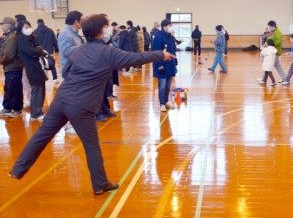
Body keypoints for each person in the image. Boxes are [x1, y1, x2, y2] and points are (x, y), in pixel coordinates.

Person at [9, 14, 175, 195]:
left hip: (61, 100)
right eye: (106, 26)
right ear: (99, 31)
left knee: (41, 137)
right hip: (81, 106)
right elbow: (136, 58)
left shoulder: (77, 50)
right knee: (92, 146)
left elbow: (67, 71)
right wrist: (161, 54)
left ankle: (18, 170)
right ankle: (100, 183)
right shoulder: (108, 52)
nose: (108, 29)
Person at [58, 10, 84, 133]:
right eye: (81, 20)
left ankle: (74, 122)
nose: (82, 23)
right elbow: (66, 51)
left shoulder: (74, 33)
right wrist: (84, 48)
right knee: (71, 98)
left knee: (76, 97)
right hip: (69, 71)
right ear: (76, 22)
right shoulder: (66, 34)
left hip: (76, 70)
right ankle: (68, 125)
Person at [16, 21, 48, 120]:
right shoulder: (21, 39)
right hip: (31, 67)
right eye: (25, 27)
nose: (28, 28)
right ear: (21, 29)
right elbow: (31, 52)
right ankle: (35, 113)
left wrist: (38, 50)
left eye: (29, 26)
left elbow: (39, 49)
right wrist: (38, 50)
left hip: (38, 65)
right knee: (36, 89)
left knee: (41, 89)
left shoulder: (33, 37)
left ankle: (39, 111)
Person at [152, 19, 177, 112]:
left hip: (170, 66)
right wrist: (159, 65)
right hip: (162, 66)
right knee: (162, 86)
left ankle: (166, 101)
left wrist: (175, 61)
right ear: (164, 27)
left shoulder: (170, 37)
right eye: (169, 25)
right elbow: (155, 52)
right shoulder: (158, 37)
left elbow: (172, 51)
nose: (171, 27)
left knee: (168, 86)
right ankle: (162, 103)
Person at [0, 17, 23, 118]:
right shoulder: (9, 36)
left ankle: (16, 108)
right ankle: (7, 107)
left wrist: (1, 61)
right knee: (8, 88)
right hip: (10, 67)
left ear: (8, 25)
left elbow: (8, 55)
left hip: (13, 67)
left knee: (14, 89)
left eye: (3, 24)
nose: (1, 26)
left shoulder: (12, 37)